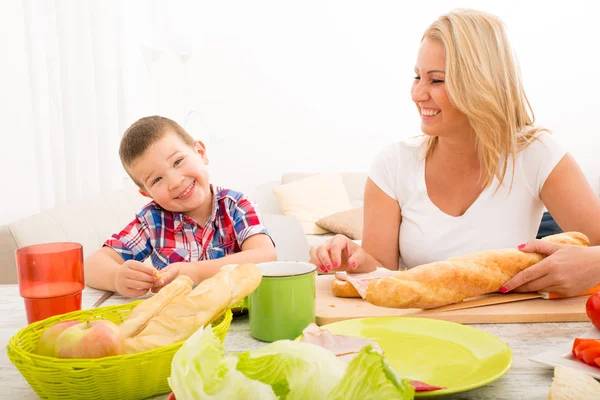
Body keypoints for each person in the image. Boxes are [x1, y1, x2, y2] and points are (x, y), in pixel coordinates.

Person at [309, 8, 600, 297]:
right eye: (417, 77)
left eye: (436, 80)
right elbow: (381, 274)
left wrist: (591, 263)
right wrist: (353, 261)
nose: (417, 93)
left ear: (480, 84)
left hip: (510, 327)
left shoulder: (536, 155)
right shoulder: (393, 165)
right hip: (423, 330)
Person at [85, 116, 276, 297]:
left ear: (200, 153)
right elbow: (91, 265)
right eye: (157, 179)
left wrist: (196, 272)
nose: (175, 182)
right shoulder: (152, 221)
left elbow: (266, 256)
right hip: (179, 321)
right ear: (147, 193)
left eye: (178, 161)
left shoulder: (236, 206)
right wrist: (117, 277)